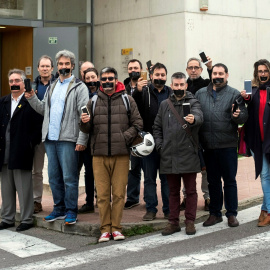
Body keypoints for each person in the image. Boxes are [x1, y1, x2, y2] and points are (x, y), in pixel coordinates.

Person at [25, 49, 89, 225]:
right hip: (50, 139)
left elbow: (85, 114)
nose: (63, 66)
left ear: (73, 66)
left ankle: (71, 211)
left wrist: (82, 140)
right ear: (57, 66)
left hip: (68, 140)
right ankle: (58, 208)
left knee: (69, 177)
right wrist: (31, 98)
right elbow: (43, 109)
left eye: (67, 64)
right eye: (61, 63)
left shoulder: (79, 87)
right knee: (53, 177)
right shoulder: (52, 86)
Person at [80, 67, 143, 243]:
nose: (107, 81)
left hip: (121, 155)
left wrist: (124, 137)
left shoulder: (127, 99)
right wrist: (83, 122)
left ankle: (116, 228)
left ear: (116, 80)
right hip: (99, 155)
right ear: (100, 81)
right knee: (102, 195)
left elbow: (138, 123)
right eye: (104, 78)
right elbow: (85, 128)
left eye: (110, 78)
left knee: (119, 194)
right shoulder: (92, 101)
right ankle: (104, 230)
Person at [195, 63, 248, 228]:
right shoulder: (200, 93)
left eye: (221, 73)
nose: (217, 75)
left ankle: (231, 214)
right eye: (215, 73)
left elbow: (243, 116)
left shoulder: (234, 94)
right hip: (208, 146)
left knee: (230, 181)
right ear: (211, 75)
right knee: (213, 182)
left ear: (227, 75)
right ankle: (215, 214)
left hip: (227, 145)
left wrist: (237, 116)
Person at [153, 72, 203, 235]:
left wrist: (193, 119)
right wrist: (160, 146)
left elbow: (200, 116)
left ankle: (190, 222)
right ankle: (173, 222)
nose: (179, 88)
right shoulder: (165, 104)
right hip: (169, 155)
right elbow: (157, 127)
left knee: (190, 191)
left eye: (182, 85)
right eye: (176, 85)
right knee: (172, 191)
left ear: (186, 85)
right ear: (172, 85)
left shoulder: (193, 101)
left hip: (188, 153)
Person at [0, 69, 42, 231]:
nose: (14, 84)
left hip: (22, 150)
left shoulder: (31, 101)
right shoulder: (3, 102)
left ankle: (26, 219)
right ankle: (7, 218)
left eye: (17, 80)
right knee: (6, 187)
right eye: (11, 81)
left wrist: (30, 143)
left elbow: (38, 125)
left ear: (24, 83)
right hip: (5, 150)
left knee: (24, 187)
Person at [133, 62, 171, 221]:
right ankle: (151, 209)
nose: (160, 78)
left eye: (163, 75)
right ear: (151, 76)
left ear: (166, 77)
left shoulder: (171, 92)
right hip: (148, 143)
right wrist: (137, 91)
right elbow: (134, 109)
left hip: (167, 142)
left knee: (167, 178)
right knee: (149, 178)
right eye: (157, 75)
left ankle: (169, 210)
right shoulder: (144, 91)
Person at [180, 56, 212, 212]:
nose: (193, 70)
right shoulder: (182, 86)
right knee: (186, 168)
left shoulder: (207, 84)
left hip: (203, 133)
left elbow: (215, 81)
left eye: (196, 67)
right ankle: (186, 197)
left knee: (205, 168)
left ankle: (208, 197)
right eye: (190, 67)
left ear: (201, 69)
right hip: (186, 135)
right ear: (186, 70)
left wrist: (211, 67)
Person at [241, 59, 270, 227]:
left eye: (265, 70)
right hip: (256, 140)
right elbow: (242, 112)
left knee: (266, 175)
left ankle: (266, 209)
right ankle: (266, 209)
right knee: (265, 174)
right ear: (256, 73)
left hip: (269, 139)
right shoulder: (251, 90)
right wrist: (242, 99)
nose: (263, 74)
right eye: (260, 71)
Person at [32, 55, 55, 214]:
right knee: (36, 171)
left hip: (53, 134)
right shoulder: (32, 86)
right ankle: (36, 201)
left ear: (52, 69)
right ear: (38, 68)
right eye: (42, 66)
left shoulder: (59, 85)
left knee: (55, 171)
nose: (45, 69)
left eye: (48, 66)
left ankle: (59, 203)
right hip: (36, 134)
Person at [77, 67, 99, 214]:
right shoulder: (82, 94)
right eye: (88, 78)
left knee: (100, 172)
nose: (91, 80)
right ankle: (89, 201)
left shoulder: (103, 93)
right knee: (88, 172)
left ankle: (103, 200)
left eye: (93, 77)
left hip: (100, 138)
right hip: (85, 136)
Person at [123, 59, 144, 209]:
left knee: (149, 169)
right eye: (131, 68)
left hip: (145, 130)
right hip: (129, 131)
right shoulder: (123, 88)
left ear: (141, 69)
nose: (133, 70)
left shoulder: (147, 86)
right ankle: (132, 197)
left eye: (136, 68)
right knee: (133, 168)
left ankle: (151, 200)